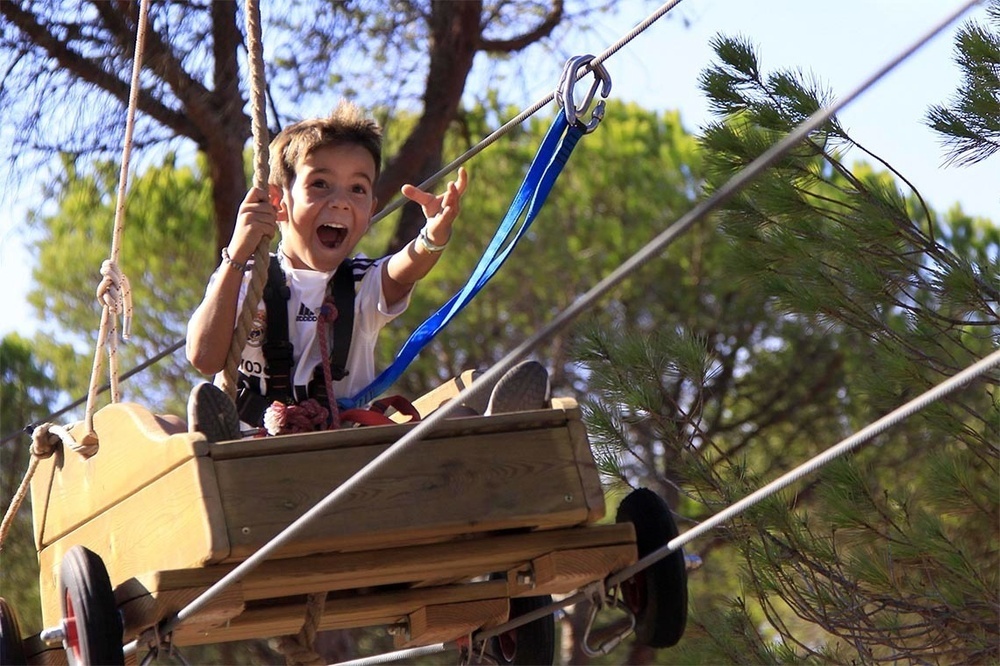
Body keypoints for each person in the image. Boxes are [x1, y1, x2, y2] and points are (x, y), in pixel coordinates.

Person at [185, 101, 547, 440]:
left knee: (457, 416)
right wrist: (236, 253)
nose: (340, 201)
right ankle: (210, 446)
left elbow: (404, 269)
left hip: (347, 445)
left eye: (357, 189)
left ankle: (498, 431)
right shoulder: (245, 277)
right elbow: (204, 358)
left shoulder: (361, 284)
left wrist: (432, 236)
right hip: (256, 443)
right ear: (279, 203)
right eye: (320, 184)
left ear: (370, 211)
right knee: (169, 425)